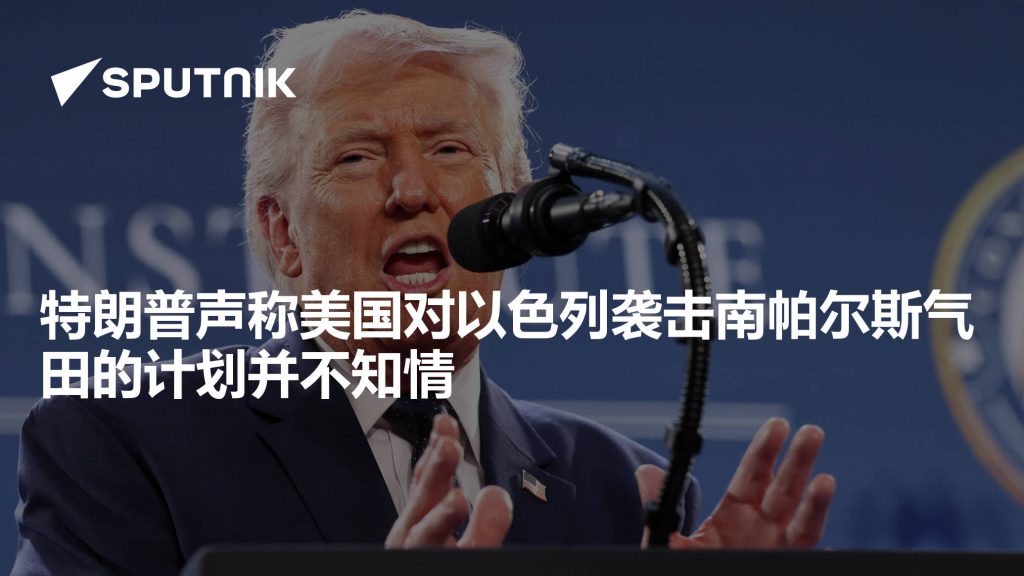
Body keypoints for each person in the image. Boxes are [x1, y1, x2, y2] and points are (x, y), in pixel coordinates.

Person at [13, 11, 835, 575]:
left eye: (449, 150)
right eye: (358, 157)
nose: (412, 190)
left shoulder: (628, 490)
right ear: (282, 233)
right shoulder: (123, 447)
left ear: (515, 210)